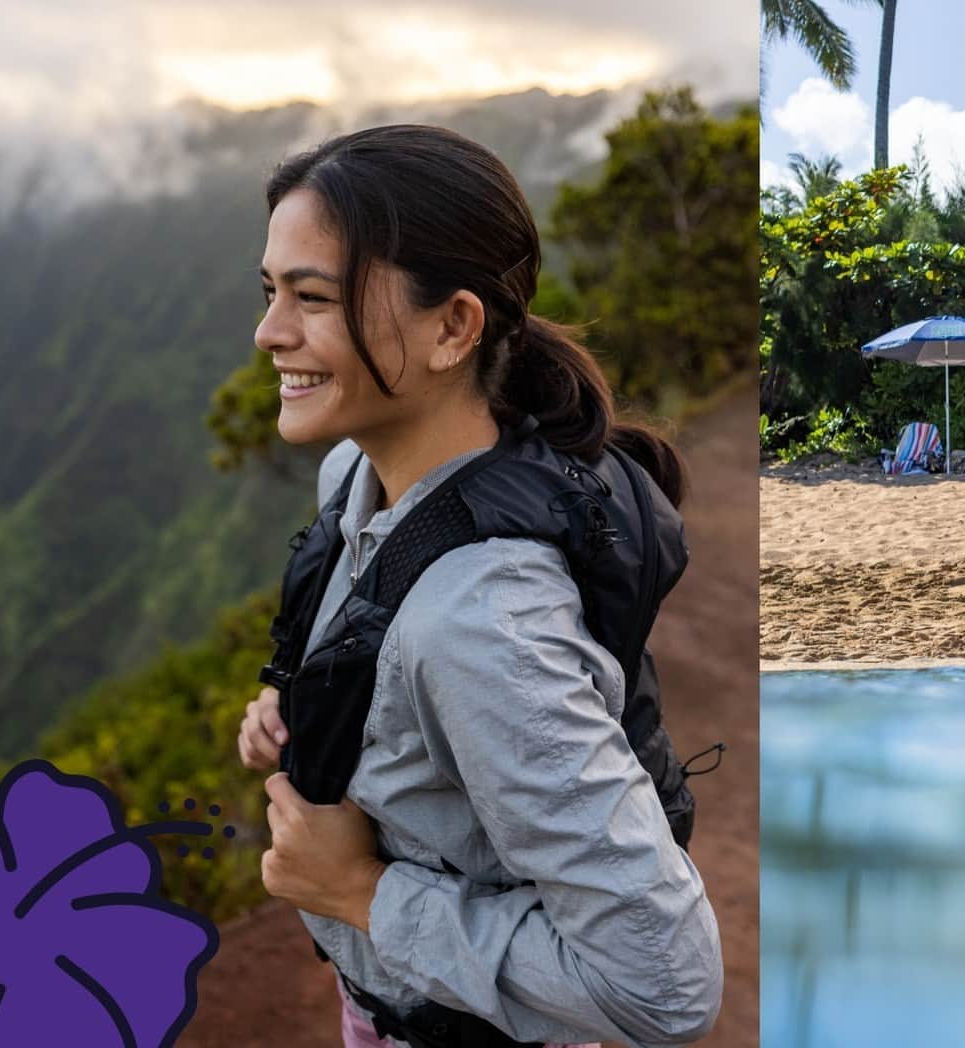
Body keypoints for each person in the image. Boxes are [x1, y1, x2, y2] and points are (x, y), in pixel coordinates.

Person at [237, 124, 723, 1048]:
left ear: (455, 326)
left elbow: (666, 990)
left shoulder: (484, 625)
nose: (269, 332)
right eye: (270, 292)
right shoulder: (356, 472)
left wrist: (358, 892)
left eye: (312, 298)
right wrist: (286, 696)